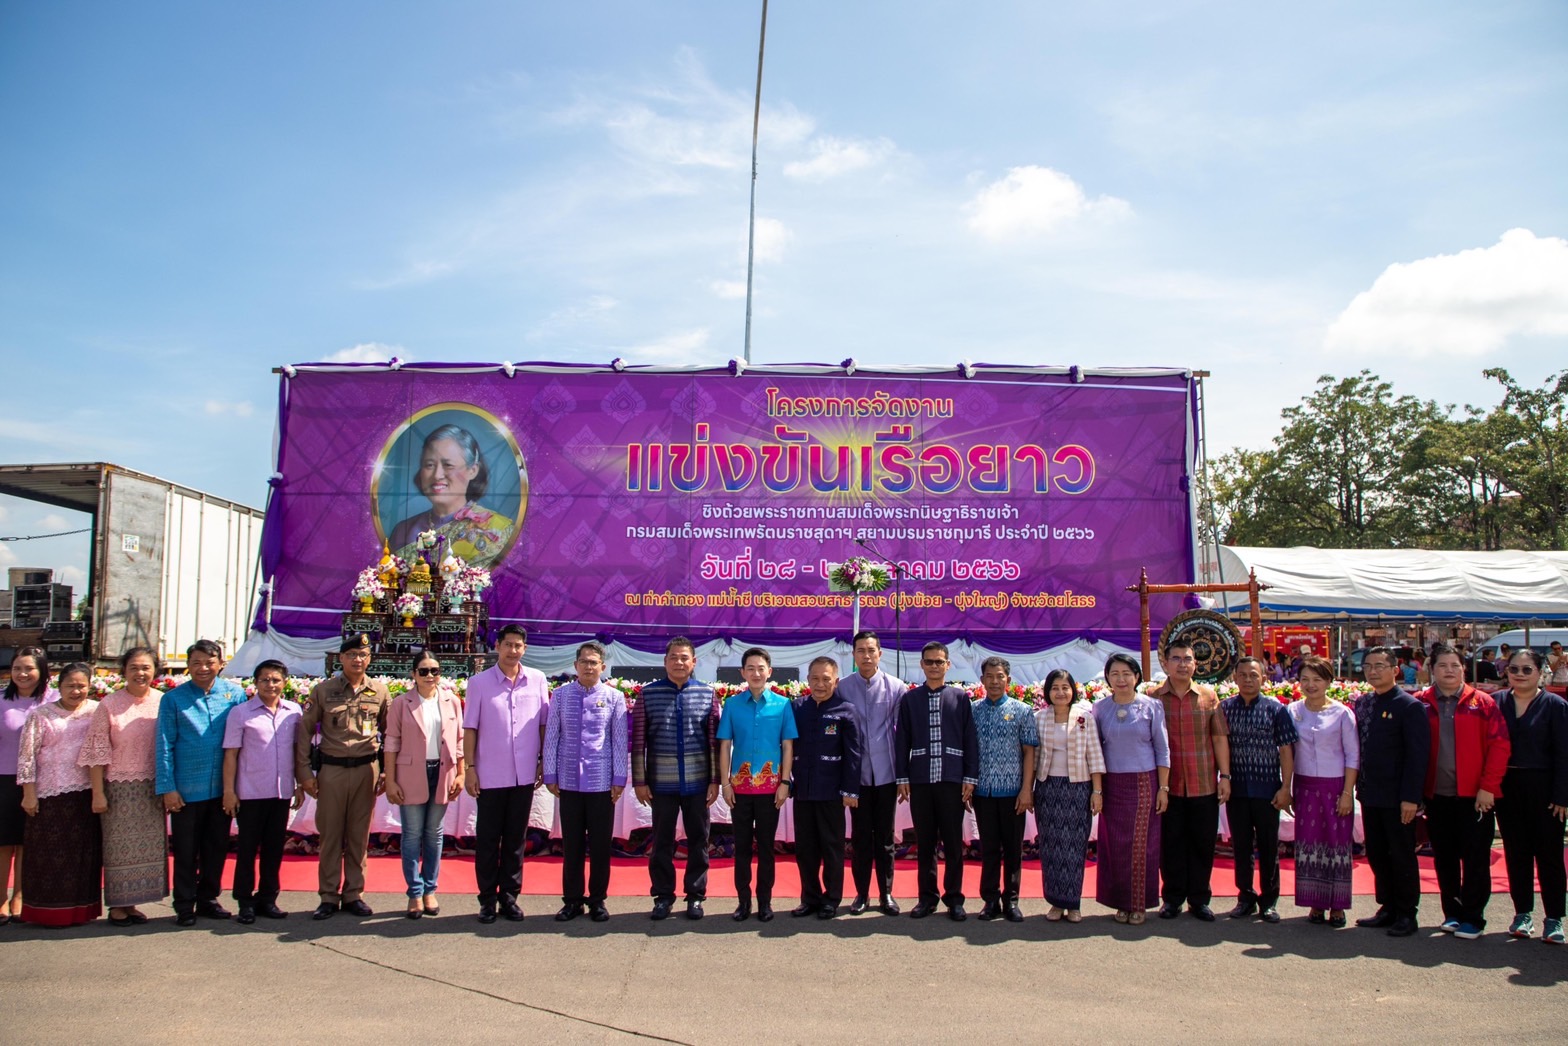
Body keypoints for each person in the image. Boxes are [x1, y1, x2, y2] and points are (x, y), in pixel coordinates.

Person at [1416, 643, 1510, 939]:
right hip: (1437, 796)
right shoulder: (1421, 703)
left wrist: (1488, 788)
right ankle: (1452, 913)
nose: (1449, 671)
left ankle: (1474, 916)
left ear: (1463, 669)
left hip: (1475, 796)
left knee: (1476, 858)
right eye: (1442, 665)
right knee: (1444, 857)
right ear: (1432, 670)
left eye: (1455, 665)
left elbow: (1499, 746)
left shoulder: (1483, 703)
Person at [296, 633, 391, 921]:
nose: (358, 660)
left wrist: (387, 770)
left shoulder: (380, 692)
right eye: (352, 655)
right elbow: (304, 732)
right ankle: (328, 895)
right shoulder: (324, 691)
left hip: (365, 770)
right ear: (341, 658)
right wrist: (304, 773)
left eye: (363, 655)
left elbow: (391, 735)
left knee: (358, 836)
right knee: (331, 835)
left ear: (370, 658)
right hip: (332, 771)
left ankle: (353, 894)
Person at [157, 639, 248, 927]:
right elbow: (164, 745)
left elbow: (243, 743)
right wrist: (168, 788)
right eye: (196, 663)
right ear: (188, 666)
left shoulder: (234, 696)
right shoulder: (173, 699)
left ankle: (208, 898)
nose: (203, 668)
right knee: (185, 850)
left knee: (216, 847)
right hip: (186, 790)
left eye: (209, 663)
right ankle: (184, 904)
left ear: (221, 664)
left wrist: (236, 788)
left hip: (223, 789)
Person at [461, 623, 549, 923]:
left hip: (523, 775)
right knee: (487, 840)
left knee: (515, 840)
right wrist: (469, 768)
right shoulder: (479, 683)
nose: (513, 650)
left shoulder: (537, 680)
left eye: (519, 646)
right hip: (489, 774)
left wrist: (542, 761)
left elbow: (543, 726)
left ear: (525, 649)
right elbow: (470, 728)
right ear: (497, 646)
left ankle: (509, 897)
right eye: (508, 644)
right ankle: (487, 899)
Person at [632, 636, 720, 920]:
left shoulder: (707, 694)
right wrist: (640, 781)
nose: (679, 662)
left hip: (697, 782)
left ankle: (695, 896)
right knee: (662, 841)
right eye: (674, 657)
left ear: (694, 662)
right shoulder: (648, 694)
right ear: (665, 661)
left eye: (685, 658)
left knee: (698, 839)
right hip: (661, 784)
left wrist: (715, 780)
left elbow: (713, 743)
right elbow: (638, 743)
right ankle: (662, 896)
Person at [78, 647, 167, 926]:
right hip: (118, 787)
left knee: (147, 848)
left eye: (146, 667)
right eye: (134, 668)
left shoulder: (164, 702)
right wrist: (98, 793)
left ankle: (133, 904)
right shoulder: (110, 704)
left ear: (155, 670)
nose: (140, 673)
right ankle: (118, 904)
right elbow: (96, 752)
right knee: (118, 848)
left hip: (153, 786)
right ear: (124, 671)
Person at [544, 641, 628, 924]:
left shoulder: (615, 697)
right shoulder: (560, 695)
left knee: (601, 846)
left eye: (594, 662)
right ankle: (572, 901)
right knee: (573, 845)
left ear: (603, 667)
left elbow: (618, 739)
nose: (589, 667)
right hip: (568, 781)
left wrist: (619, 778)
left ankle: (597, 900)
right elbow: (552, 736)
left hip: (601, 782)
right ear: (575, 665)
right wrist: (550, 773)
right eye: (584, 662)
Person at [895, 640, 978, 921]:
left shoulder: (960, 697)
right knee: (926, 843)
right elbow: (901, 739)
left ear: (947, 665)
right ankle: (926, 898)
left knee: (954, 843)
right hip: (920, 780)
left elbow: (970, 740)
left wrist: (969, 777)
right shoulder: (910, 699)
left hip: (952, 780)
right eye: (929, 662)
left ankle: (954, 899)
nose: (933, 666)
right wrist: (902, 776)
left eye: (939, 662)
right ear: (921, 665)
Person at [1353, 645, 1431, 937]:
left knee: (1401, 854)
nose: (1373, 671)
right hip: (1371, 793)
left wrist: (1412, 797)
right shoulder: (1364, 703)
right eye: (1368, 666)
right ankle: (1386, 906)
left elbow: (1417, 755)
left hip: (1399, 797)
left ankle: (1407, 912)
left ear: (1395, 670)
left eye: (1379, 666)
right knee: (1376, 852)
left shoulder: (1408, 706)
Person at [1151, 640, 1231, 921]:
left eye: (1188, 659)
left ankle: (1199, 899)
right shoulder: (1153, 697)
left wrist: (1225, 775)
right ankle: (1172, 898)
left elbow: (1219, 738)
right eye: (1176, 659)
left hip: (1203, 783)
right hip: (1167, 786)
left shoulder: (1209, 697)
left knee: (1202, 843)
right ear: (1165, 663)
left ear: (1195, 664)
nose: (1182, 664)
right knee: (1170, 843)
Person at [16, 662, 100, 927]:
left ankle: (79, 912)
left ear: (89, 686)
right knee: (47, 857)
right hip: (49, 794)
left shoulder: (97, 711)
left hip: (85, 793)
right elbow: (27, 758)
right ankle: (45, 913)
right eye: (70, 686)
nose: (76, 691)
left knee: (82, 857)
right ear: (58, 686)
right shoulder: (41, 715)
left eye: (81, 686)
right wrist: (29, 794)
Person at [1494, 649, 1568, 943]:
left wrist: (1563, 795)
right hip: (1507, 787)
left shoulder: (1555, 705)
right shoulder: (1497, 702)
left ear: (1540, 673)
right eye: (1514, 669)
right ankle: (1522, 913)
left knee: (1549, 855)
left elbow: (1565, 753)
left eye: (1527, 670)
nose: (1520, 675)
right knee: (1517, 853)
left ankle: (1554, 918)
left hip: (1545, 788)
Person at [222, 658, 304, 923]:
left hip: (281, 792)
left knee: (273, 850)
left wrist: (300, 784)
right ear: (255, 683)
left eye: (276, 680)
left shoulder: (293, 712)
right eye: (265, 680)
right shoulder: (241, 713)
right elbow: (231, 754)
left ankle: (268, 898)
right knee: (247, 849)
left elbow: (298, 752)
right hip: (250, 792)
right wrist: (229, 791)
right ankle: (245, 901)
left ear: (285, 682)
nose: (271, 684)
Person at [716, 646, 795, 922]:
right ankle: (743, 902)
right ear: (742, 673)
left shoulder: (783, 705)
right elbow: (725, 745)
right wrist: (725, 783)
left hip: (770, 790)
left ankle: (765, 902)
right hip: (738, 790)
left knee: (765, 848)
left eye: (761, 668)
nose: (756, 673)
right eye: (750, 668)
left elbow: (787, 746)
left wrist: (785, 781)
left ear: (769, 672)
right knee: (741, 847)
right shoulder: (732, 705)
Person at [384, 649, 464, 919]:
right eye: (424, 671)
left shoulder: (451, 701)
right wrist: (391, 778)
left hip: (442, 772)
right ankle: (414, 892)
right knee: (412, 834)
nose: (430, 676)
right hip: (410, 774)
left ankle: (430, 888)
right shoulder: (401, 703)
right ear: (413, 674)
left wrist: (461, 773)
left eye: (435, 671)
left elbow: (460, 741)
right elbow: (391, 742)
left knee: (434, 833)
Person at [1218, 655, 1297, 923]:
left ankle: (1269, 900)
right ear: (1234, 678)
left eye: (1254, 675)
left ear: (1264, 678)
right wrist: (1224, 778)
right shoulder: (1225, 708)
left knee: (1268, 846)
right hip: (1237, 789)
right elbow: (1221, 746)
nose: (1248, 680)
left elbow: (1286, 750)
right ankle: (1245, 896)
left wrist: (1286, 787)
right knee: (1241, 846)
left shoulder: (1276, 710)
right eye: (1243, 675)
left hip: (1267, 790)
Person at [1093, 653, 1169, 924]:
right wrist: (1098, 790)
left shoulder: (1151, 706)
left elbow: (1162, 749)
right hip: (1112, 784)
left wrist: (1163, 787)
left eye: (1126, 673)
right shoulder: (1100, 709)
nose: (1121, 679)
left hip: (1143, 783)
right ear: (1108, 678)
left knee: (1141, 845)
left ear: (1136, 676)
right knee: (1116, 846)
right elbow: (1096, 750)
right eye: (1115, 674)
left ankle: (1138, 903)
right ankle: (1120, 903)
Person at [1288, 655, 1360, 927]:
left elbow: (1353, 756)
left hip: (1335, 788)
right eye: (1305, 679)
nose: (1311, 685)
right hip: (1305, 787)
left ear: (1329, 681)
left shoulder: (1342, 713)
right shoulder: (1293, 711)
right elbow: (1287, 752)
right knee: (1309, 845)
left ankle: (1338, 907)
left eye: (1317, 679)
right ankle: (1316, 903)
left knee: (1336, 846)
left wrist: (1346, 793)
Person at [837, 629, 905, 915]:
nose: (866, 655)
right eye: (860, 651)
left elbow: (904, 737)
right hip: (857, 777)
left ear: (880, 653)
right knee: (861, 837)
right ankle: (861, 894)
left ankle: (886, 893)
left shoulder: (897, 687)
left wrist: (903, 777)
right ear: (853, 655)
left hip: (887, 775)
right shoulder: (842, 687)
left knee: (886, 838)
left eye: (871, 650)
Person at [789, 657, 861, 920]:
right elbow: (786, 747)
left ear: (836, 681)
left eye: (826, 679)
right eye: (815, 679)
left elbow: (854, 754)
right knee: (805, 849)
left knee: (832, 847)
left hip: (832, 793)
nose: (820, 684)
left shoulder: (846, 710)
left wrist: (851, 791)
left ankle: (831, 899)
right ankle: (809, 897)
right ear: (807, 680)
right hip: (804, 792)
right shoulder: (796, 708)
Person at [388, 423, 515, 569]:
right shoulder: (403, 530)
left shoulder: (499, 529)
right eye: (429, 465)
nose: (437, 475)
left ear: (472, 470)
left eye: (448, 465)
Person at [1033, 669, 1104, 923]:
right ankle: (1054, 902)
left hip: (1078, 788)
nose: (1060, 693)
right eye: (1055, 688)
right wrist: (1028, 791)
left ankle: (1073, 903)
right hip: (1048, 788)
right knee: (1051, 847)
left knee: (1075, 847)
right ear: (1047, 692)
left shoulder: (1085, 717)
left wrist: (1097, 791)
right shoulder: (1040, 718)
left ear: (1073, 690)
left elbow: (1095, 756)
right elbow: (1034, 758)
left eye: (1065, 687)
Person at [971, 656, 1038, 923]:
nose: (995, 681)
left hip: (1013, 793)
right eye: (990, 676)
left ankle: (1011, 900)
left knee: (1012, 849)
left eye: (1000, 676)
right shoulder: (973, 710)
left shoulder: (1022, 710)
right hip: (983, 792)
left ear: (1008, 680)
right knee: (988, 849)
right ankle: (989, 900)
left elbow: (1029, 751)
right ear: (982, 680)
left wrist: (1026, 790)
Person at [1, 646, 56, 924]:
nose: (22, 674)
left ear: (42, 671)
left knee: (26, 842)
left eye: (29, 668)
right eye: (17, 668)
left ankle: (20, 895)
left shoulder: (55, 700)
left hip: (42, 781)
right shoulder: (1, 700)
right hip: (4, 779)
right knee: (3, 843)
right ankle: (0, 897)